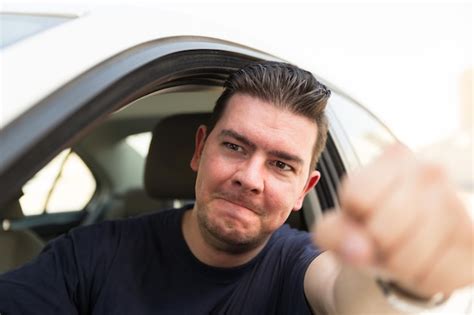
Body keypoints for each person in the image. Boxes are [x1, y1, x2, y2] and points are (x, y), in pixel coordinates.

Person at [0, 61, 472, 314]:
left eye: (282, 165)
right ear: (200, 150)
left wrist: (398, 279)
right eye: (235, 146)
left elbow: (349, 296)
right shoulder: (89, 254)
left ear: (305, 189)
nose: (250, 176)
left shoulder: (303, 266)